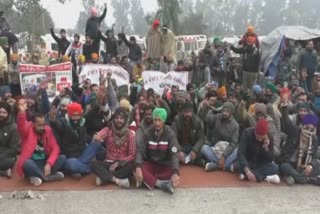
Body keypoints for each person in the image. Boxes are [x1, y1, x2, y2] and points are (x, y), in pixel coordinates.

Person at [16, 99, 66, 186]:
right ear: (33, 124)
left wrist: (49, 164)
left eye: (43, 124)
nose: (42, 127)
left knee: (62, 157)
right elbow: (21, 126)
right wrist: (22, 113)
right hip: (33, 162)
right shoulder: (27, 130)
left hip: (45, 161)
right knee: (27, 163)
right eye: (39, 125)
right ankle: (47, 178)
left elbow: (55, 148)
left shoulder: (47, 130)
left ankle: (38, 176)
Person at [135, 108, 180, 194]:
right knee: (136, 168)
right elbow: (140, 150)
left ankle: (149, 181)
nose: (157, 123)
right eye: (155, 120)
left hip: (165, 165)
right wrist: (138, 167)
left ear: (163, 121)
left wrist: (175, 172)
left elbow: (174, 154)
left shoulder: (170, 134)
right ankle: (161, 184)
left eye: (159, 120)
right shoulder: (147, 133)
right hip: (152, 164)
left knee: (176, 171)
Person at [49, 102, 99, 178]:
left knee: (98, 142)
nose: (75, 118)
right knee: (70, 165)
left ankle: (80, 167)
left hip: (84, 154)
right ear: (69, 115)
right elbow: (57, 125)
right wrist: (53, 119)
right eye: (73, 115)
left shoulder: (83, 122)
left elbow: (92, 114)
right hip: (71, 157)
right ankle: (91, 168)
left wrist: (94, 137)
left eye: (77, 115)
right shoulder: (63, 122)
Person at [91, 108, 136, 188]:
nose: (119, 120)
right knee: (93, 164)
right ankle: (116, 180)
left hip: (122, 164)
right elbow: (99, 135)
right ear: (114, 119)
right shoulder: (109, 130)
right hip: (109, 162)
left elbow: (132, 155)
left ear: (125, 120)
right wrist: (96, 137)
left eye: (121, 118)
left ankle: (104, 177)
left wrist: (118, 163)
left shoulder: (130, 134)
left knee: (131, 167)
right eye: (117, 118)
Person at [280, 103, 320, 186]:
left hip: (304, 166)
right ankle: (307, 179)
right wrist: (284, 108)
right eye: (307, 127)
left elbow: (315, 156)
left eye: (311, 129)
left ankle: (295, 177)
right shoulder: (296, 131)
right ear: (303, 126)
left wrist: (310, 166)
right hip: (291, 164)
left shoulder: (314, 138)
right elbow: (287, 121)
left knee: (317, 166)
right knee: (284, 167)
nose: (309, 130)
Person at [238, 119, 280, 183]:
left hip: (261, 164)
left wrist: (266, 148)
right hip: (249, 162)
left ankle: (251, 176)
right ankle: (264, 177)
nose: (260, 139)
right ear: (255, 131)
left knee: (275, 168)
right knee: (240, 165)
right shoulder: (247, 133)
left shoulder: (269, 137)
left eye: (262, 137)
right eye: (258, 136)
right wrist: (247, 171)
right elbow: (241, 153)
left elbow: (271, 158)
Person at [201, 102, 239, 172]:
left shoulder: (235, 125)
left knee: (237, 151)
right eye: (223, 111)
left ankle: (216, 165)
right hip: (215, 149)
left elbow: (233, 143)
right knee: (203, 148)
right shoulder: (216, 117)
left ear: (231, 113)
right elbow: (205, 119)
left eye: (227, 111)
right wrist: (205, 109)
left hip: (227, 151)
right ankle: (226, 166)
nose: (224, 113)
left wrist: (224, 156)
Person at [171, 101, 205, 165]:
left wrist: (195, 150)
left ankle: (186, 160)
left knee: (204, 149)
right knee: (172, 150)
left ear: (192, 112)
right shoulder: (177, 120)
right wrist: (179, 150)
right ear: (182, 111)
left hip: (192, 146)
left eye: (189, 112)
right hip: (181, 145)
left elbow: (201, 138)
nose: (187, 114)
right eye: (185, 112)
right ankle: (194, 162)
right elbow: (173, 137)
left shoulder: (198, 121)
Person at [0, 101, 18, 177]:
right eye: (0, 112)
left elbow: (13, 149)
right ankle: (3, 172)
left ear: (8, 113)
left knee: (9, 162)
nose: (1, 115)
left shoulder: (13, 127)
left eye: (4, 113)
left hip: (7, 157)